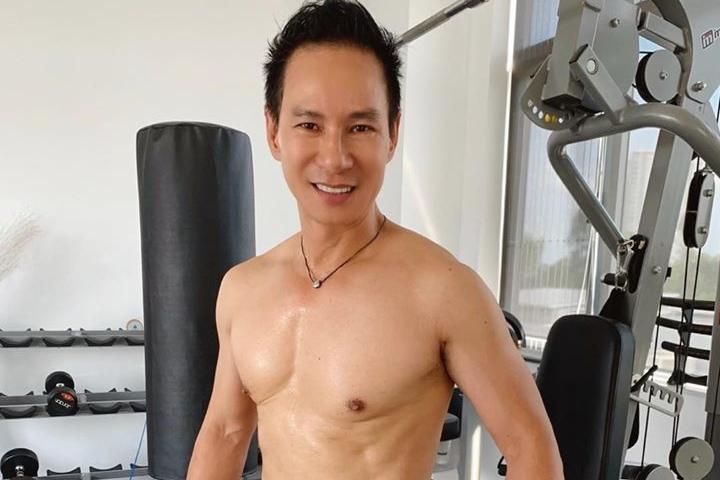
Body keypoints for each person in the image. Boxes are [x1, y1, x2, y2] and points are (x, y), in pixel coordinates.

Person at [187, 1, 563, 479]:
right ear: (274, 131)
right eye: (309, 125)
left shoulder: (443, 291)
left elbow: (531, 447)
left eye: (360, 127)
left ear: (392, 133)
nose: (334, 158)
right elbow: (224, 433)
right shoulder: (241, 290)